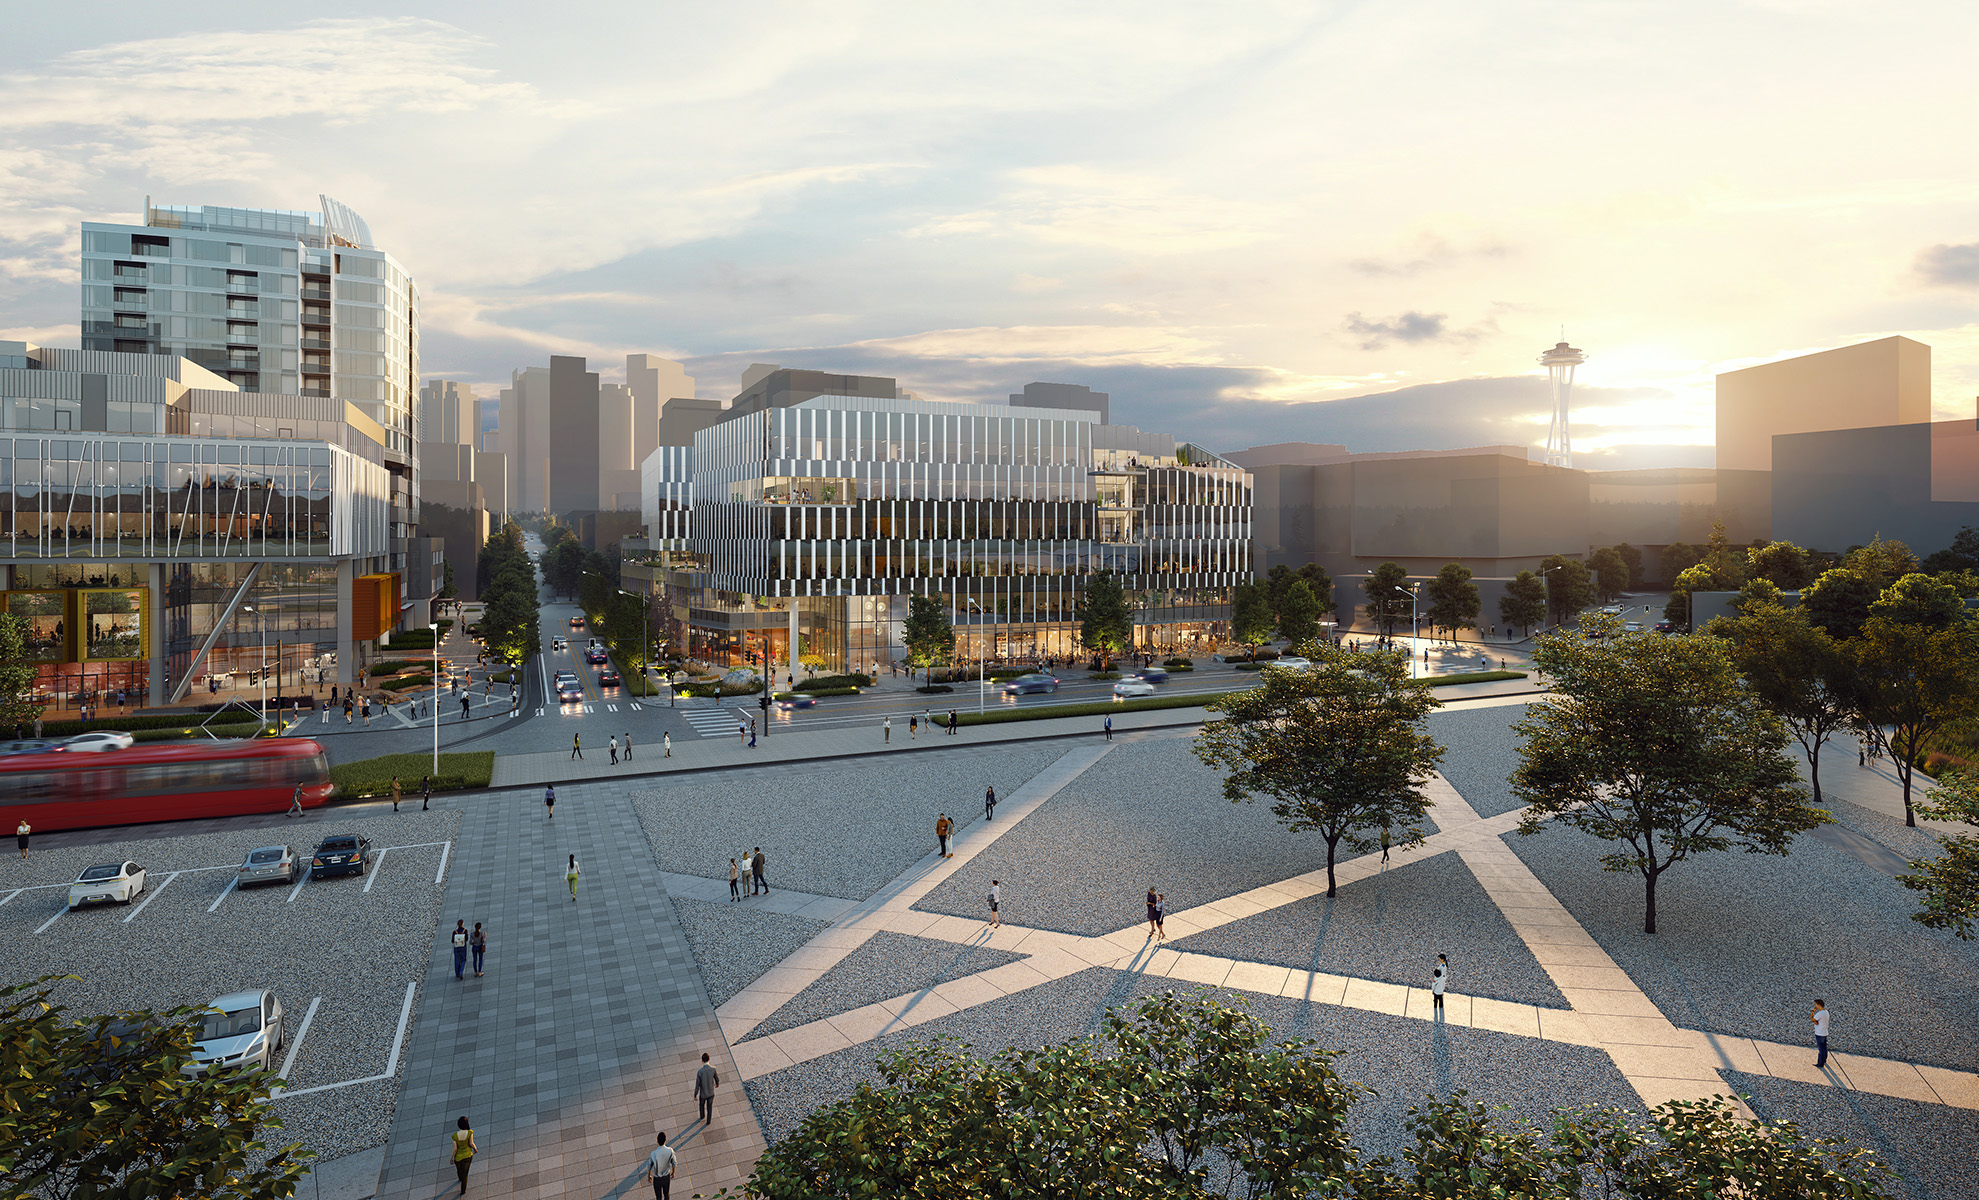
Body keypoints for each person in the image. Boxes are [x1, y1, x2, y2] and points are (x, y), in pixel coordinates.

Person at [644, 1132, 677, 1199]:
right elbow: (674, 1163)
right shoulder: (670, 1151)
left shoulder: (653, 1154)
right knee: (666, 1194)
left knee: (658, 1197)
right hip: (666, 1177)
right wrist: (673, 1173)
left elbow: (649, 1166)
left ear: (657, 1141)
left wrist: (649, 1176)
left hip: (657, 1179)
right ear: (665, 1140)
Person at [450, 1116, 476, 1195]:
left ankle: (460, 1178)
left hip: (458, 1158)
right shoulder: (470, 1132)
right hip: (468, 1156)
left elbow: (455, 1149)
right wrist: (475, 1149)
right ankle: (463, 1190)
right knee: (465, 1173)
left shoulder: (454, 1136)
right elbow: (471, 1143)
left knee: (459, 1170)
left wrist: (451, 1159)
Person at [694, 1052, 720, 1124]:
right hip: (711, 1092)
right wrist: (717, 1084)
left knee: (701, 1105)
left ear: (702, 1061)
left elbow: (697, 1085)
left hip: (703, 1094)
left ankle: (702, 1116)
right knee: (709, 1107)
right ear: (709, 1059)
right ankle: (708, 1121)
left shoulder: (700, 1072)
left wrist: (695, 1095)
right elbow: (716, 1078)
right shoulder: (713, 1069)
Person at [1812, 999, 1830, 1068]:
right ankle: (1824, 1059)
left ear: (1819, 1005)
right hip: (1824, 1032)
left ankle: (1820, 1063)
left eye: (1815, 1004)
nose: (1815, 1005)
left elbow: (1812, 1019)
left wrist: (1812, 1011)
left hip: (1819, 1033)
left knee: (1820, 1049)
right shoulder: (1826, 1012)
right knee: (1824, 1048)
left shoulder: (1820, 1014)